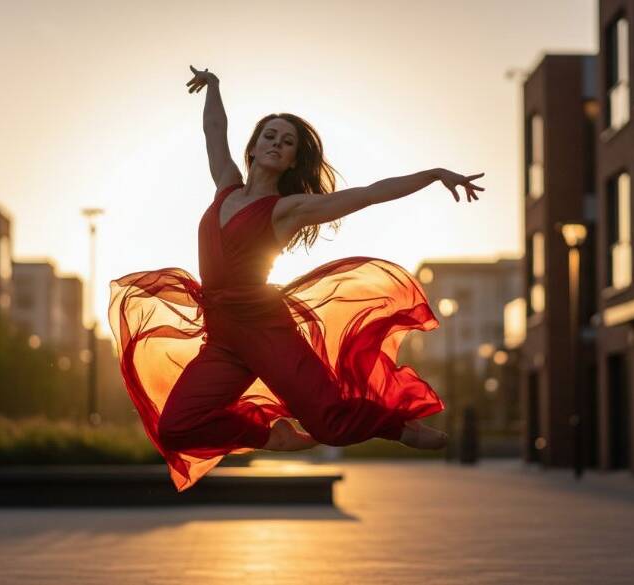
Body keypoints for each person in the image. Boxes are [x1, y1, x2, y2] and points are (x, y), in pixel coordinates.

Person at [107, 65, 485, 492]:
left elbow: (367, 195)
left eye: (287, 143)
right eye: (269, 136)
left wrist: (433, 175)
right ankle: (271, 436)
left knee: (329, 425)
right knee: (176, 427)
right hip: (223, 337)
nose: (276, 144)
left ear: (291, 161)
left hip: (266, 329)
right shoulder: (226, 186)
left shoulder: (288, 209)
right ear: (253, 148)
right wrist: (213, 86)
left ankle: (398, 426)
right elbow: (214, 130)